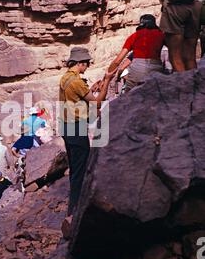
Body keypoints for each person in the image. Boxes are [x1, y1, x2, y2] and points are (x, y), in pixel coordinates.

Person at [59, 46, 115, 215]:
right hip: (76, 129)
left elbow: (77, 98)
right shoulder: (77, 82)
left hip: (66, 127)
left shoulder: (66, 78)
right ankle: (75, 211)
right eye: (87, 64)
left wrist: (90, 90)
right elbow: (97, 103)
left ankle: (74, 208)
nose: (87, 66)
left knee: (75, 168)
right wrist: (106, 82)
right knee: (80, 170)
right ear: (80, 63)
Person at [108, 14, 165, 92]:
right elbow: (174, 51)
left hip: (137, 69)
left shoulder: (134, 36)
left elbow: (118, 60)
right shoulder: (161, 35)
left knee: (130, 97)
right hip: (156, 68)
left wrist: (107, 77)